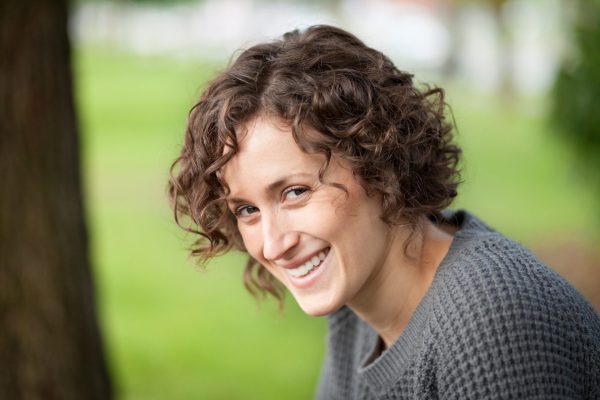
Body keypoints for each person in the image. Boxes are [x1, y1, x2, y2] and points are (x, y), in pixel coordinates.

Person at [168, 25, 600, 399]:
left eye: (296, 192)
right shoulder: (355, 307)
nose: (274, 243)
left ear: (379, 163)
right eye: (246, 209)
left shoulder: (491, 322)